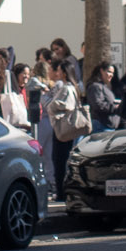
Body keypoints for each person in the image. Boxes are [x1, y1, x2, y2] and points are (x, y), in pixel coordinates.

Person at [46, 59, 88, 196]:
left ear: (64, 73)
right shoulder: (73, 87)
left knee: (59, 160)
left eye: (59, 70)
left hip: (62, 129)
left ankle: (61, 192)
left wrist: (51, 105)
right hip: (67, 128)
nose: (57, 73)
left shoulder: (66, 88)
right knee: (62, 160)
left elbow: (65, 105)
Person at [86, 63, 120, 131]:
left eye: (112, 73)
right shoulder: (95, 87)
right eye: (109, 72)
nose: (111, 75)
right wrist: (115, 107)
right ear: (102, 71)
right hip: (101, 126)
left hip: (108, 126)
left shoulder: (104, 87)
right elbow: (98, 105)